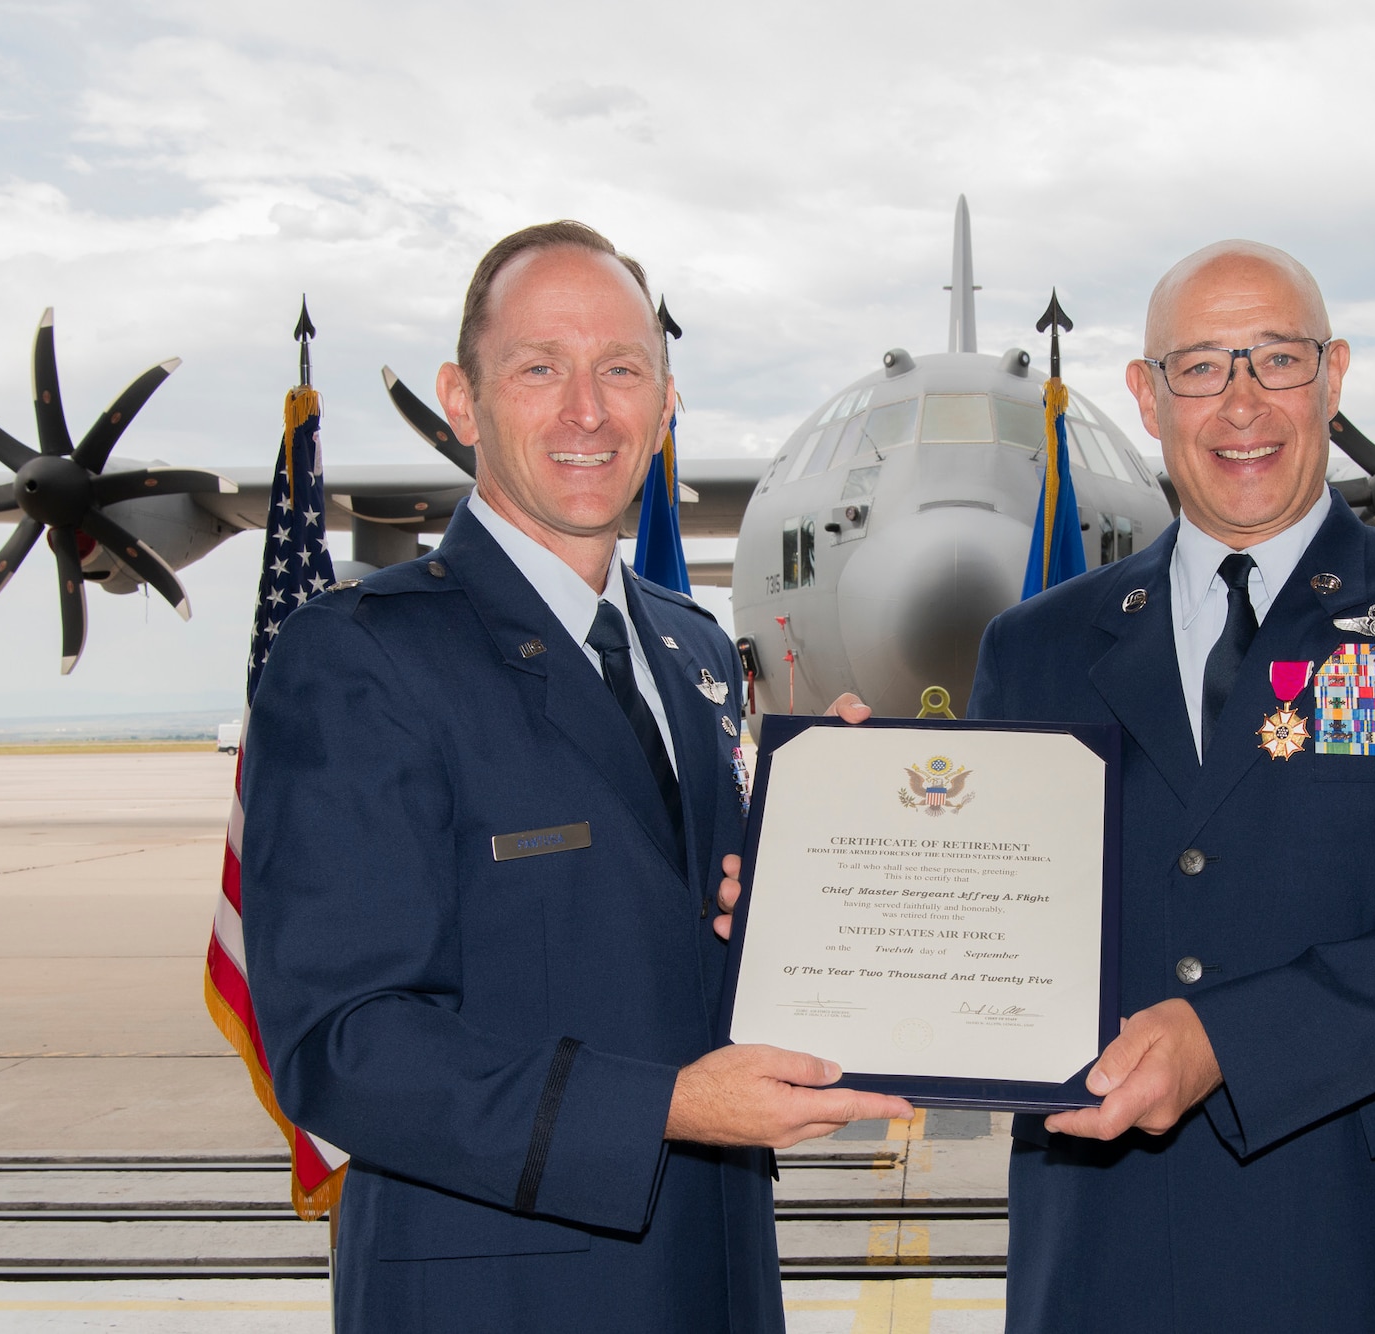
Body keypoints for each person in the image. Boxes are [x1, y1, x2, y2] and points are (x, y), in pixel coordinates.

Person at [242, 220, 910, 1332]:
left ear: (664, 400)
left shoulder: (693, 649)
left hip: (717, 1274)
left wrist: (833, 850)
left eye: (620, 370)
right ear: (463, 399)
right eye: (539, 368)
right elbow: (341, 1044)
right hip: (502, 1289)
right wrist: (669, 1105)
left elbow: (670, 931)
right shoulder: (360, 656)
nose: (586, 412)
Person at [965, 241, 1375, 1331]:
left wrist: (1225, 1041)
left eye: (1276, 360)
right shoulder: (1036, 648)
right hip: (1115, 1233)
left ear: (1332, 376)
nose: (1240, 402)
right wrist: (835, 834)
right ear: (1146, 399)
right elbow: (982, 913)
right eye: (1199, 366)